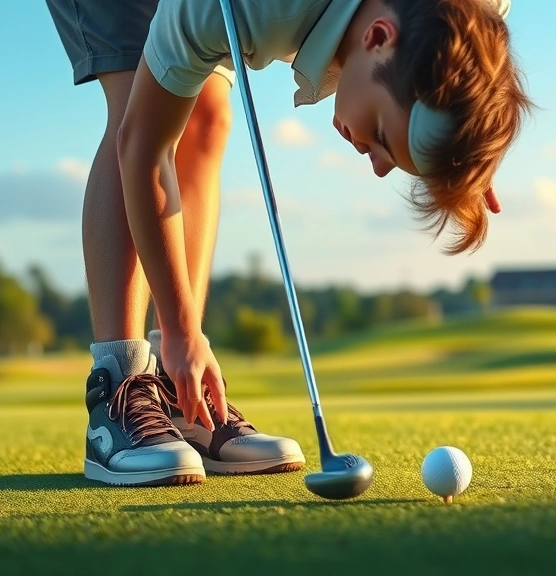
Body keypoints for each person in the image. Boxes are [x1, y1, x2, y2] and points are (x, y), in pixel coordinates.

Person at [49, 0, 531, 487]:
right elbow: (143, 147)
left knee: (207, 115)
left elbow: (480, 42)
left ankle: (182, 393)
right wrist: (179, 329)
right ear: (379, 37)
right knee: (140, 97)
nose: (380, 165)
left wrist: (469, 150)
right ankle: (118, 387)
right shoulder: (257, 9)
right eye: (384, 135)